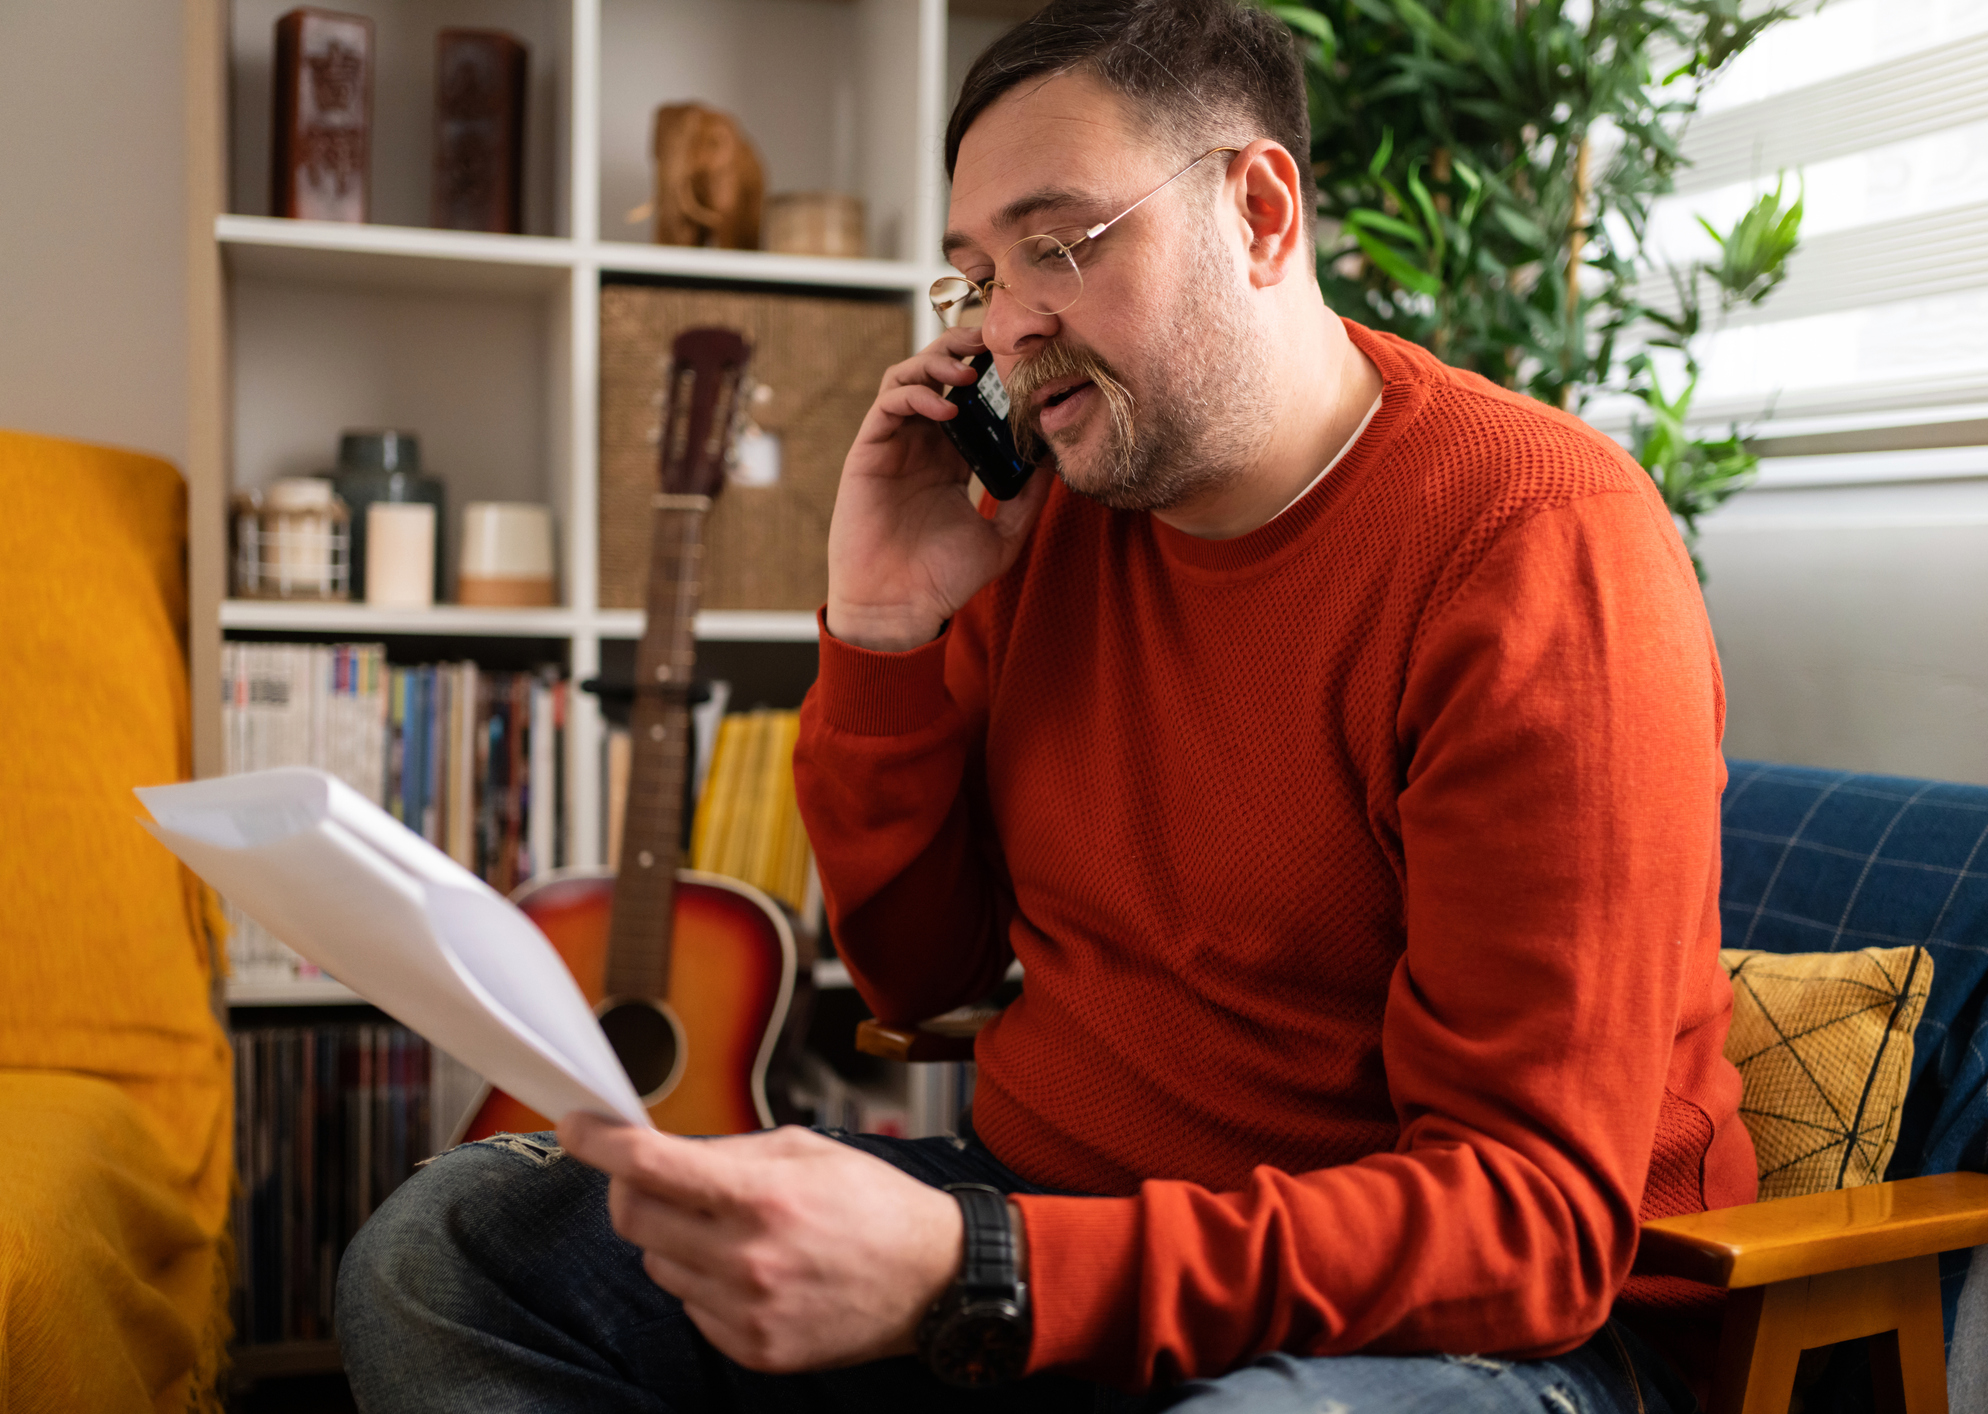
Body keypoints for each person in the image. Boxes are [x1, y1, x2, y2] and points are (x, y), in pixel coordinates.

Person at [336, 2, 1752, 1410]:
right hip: (1053, 1231)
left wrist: (986, 1264)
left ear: (1259, 212)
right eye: (976, 276)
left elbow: (1529, 1225)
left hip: (1459, 1331)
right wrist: (884, 627)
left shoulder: (1532, 546)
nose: (1010, 327)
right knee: (450, 1246)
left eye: (1060, 246)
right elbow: (918, 973)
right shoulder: (1055, 512)